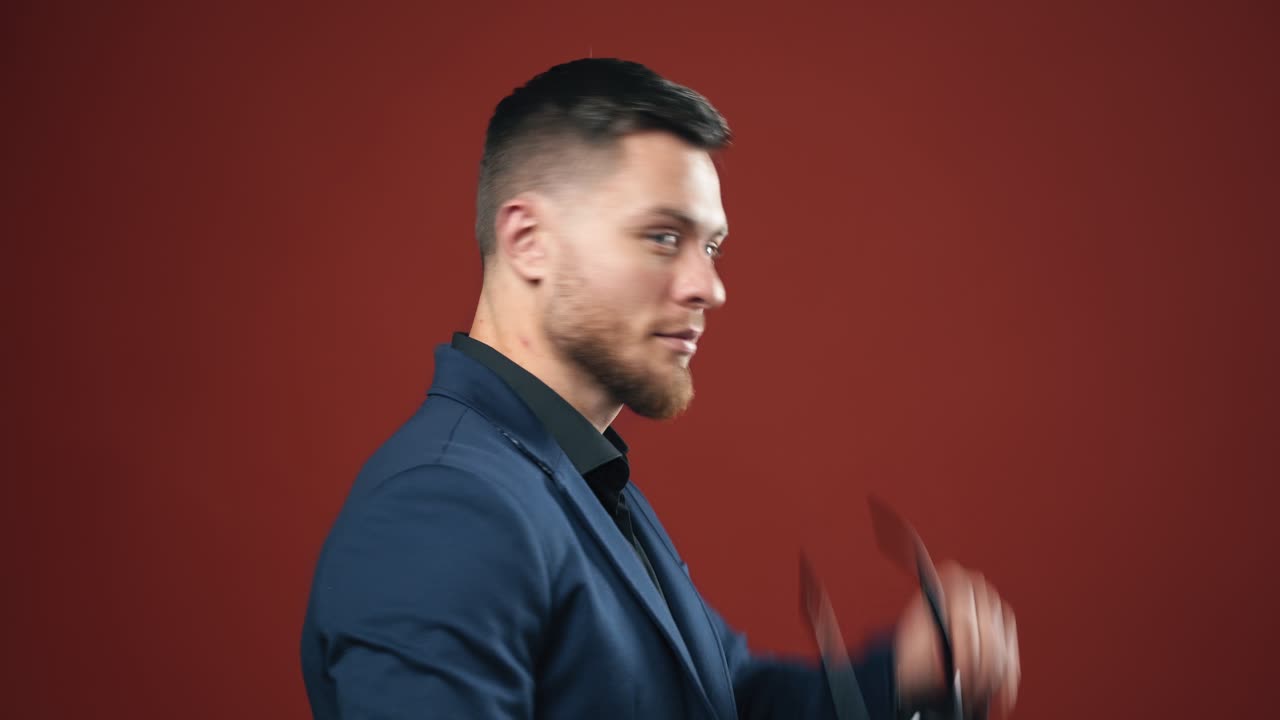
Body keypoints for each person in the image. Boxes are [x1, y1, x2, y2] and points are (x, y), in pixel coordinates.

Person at [300, 58, 1020, 719]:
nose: (710, 287)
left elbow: (720, 697)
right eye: (662, 237)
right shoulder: (448, 506)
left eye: (711, 246)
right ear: (528, 242)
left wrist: (904, 677)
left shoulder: (577, 476)